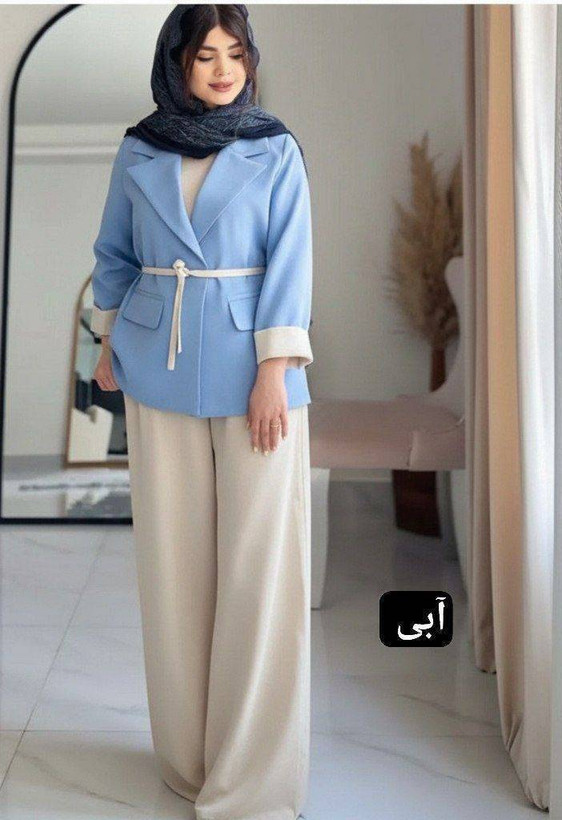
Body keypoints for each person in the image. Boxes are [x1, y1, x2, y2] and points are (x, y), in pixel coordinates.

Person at [89, 6, 313, 820]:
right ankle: (188, 758)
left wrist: (274, 370)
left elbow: (292, 261)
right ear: (176, 63)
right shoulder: (139, 147)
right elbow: (114, 254)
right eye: (205, 55)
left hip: (256, 373)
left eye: (236, 54)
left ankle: (253, 777)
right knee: (174, 569)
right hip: (156, 366)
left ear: (251, 61)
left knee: (260, 573)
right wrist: (107, 344)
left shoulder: (275, 147)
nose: (223, 70)